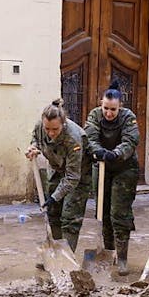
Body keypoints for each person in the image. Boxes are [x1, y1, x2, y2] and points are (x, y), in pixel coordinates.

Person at [85, 81, 140, 276]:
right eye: (106, 108)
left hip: (124, 168)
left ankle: (123, 258)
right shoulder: (94, 115)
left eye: (113, 109)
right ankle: (108, 253)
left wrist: (116, 154)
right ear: (101, 104)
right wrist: (98, 152)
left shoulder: (128, 118)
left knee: (119, 212)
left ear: (120, 107)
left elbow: (131, 140)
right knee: (102, 211)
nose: (109, 113)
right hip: (101, 167)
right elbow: (89, 137)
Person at [25, 99, 92, 253]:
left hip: (78, 174)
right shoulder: (40, 127)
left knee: (70, 217)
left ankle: (67, 257)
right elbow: (36, 138)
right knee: (52, 212)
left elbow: (73, 176)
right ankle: (54, 253)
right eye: (47, 128)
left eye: (55, 129)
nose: (51, 133)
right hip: (56, 168)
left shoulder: (73, 138)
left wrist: (55, 196)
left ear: (63, 123)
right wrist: (33, 148)